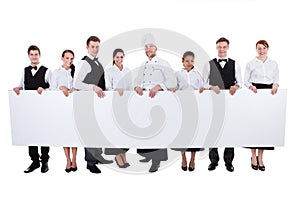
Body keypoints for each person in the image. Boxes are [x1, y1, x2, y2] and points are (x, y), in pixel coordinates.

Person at [134, 33, 177, 173]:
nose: (148, 49)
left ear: (156, 48)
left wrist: (159, 87)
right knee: (144, 127)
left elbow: (172, 82)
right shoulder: (143, 65)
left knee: (156, 129)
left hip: (158, 100)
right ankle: (147, 154)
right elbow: (136, 81)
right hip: (144, 100)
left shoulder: (164, 63)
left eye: (151, 46)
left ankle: (157, 160)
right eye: (146, 47)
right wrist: (137, 87)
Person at [74, 36, 113, 174]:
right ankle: (90, 162)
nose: (95, 49)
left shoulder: (98, 63)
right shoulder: (83, 63)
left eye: (97, 46)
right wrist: (93, 87)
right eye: (92, 46)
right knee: (90, 131)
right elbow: (76, 84)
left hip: (99, 103)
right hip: (87, 103)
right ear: (87, 47)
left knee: (98, 130)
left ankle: (98, 157)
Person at [202, 37, 242, 172]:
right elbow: (202, 84)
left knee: (229, 130)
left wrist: (236, 87)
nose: (222, 49)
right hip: (213, 103)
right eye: (219, 47)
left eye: (224, 47)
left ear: (228, 48)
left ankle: (229, 161)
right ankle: (213, 160)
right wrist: (211, 87)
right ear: (216, 48)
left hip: (230, 103)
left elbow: (240, 83)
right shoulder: (208, 64)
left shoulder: (235, 64)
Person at [13, 45, 52, 173]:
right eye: (32, 54)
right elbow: (21, 85)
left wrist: (44, 89)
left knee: (44, 134)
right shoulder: (24, 70)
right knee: (31, 134)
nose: (34, 57)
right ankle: (34, 161)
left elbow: (53, 88)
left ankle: (45, 161)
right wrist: (17, 88)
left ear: (39, 55)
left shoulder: (47, 71)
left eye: (36, 54)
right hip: (29, 110)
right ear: (28, 56)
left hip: (43, 109)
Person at [244, 40, 279, 171]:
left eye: (263, 48)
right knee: (254, 126)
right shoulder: (251, 63)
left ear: (267, 48)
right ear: (256, 49)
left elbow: (276, 80)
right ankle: (253, 156)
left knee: (265, 126)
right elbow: (245, 81)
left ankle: (261, 157)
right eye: (259, 48)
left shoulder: (274, 64)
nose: (261, 50)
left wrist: (275, 85)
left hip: (269, 93)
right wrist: (251, 86)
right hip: (255, 92)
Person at [174, 51, 205, 171]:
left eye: (191, 60)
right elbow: (174, 87)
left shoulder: (197, 74)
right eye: (187, 60)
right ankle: (183, 157)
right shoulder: (178, 74)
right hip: (182, 106)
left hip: (195, 106)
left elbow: (203, 87)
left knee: (194, 133)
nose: (189, 63)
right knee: (183, 133)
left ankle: (192, 158)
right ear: (183, 61)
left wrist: (203, 89)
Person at [51, 49, 77, 173]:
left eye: (71, 59)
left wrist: (74, 89)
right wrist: (60, 87)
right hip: (61, 108)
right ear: (62, 58)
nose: (69, 61)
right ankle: (67, 160)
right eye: (67, 58)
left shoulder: (75, 72)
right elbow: (51, 89)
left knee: (74, 135)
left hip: (74, 107)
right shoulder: (56, 73)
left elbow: (80, 86)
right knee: (65, 135)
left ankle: (75, 160)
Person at [104, 48, 131, 168]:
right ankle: (117, 155)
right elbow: (107, 87)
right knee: (115, 130)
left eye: (121, 57)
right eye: (117, 57)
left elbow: (130, 86)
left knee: (125, 130)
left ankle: (123, 154)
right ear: (113, 58)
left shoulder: (127, 70)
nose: (119, 59)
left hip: (125, 104)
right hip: (114, 103)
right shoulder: (109, 71)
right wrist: (116, 90)